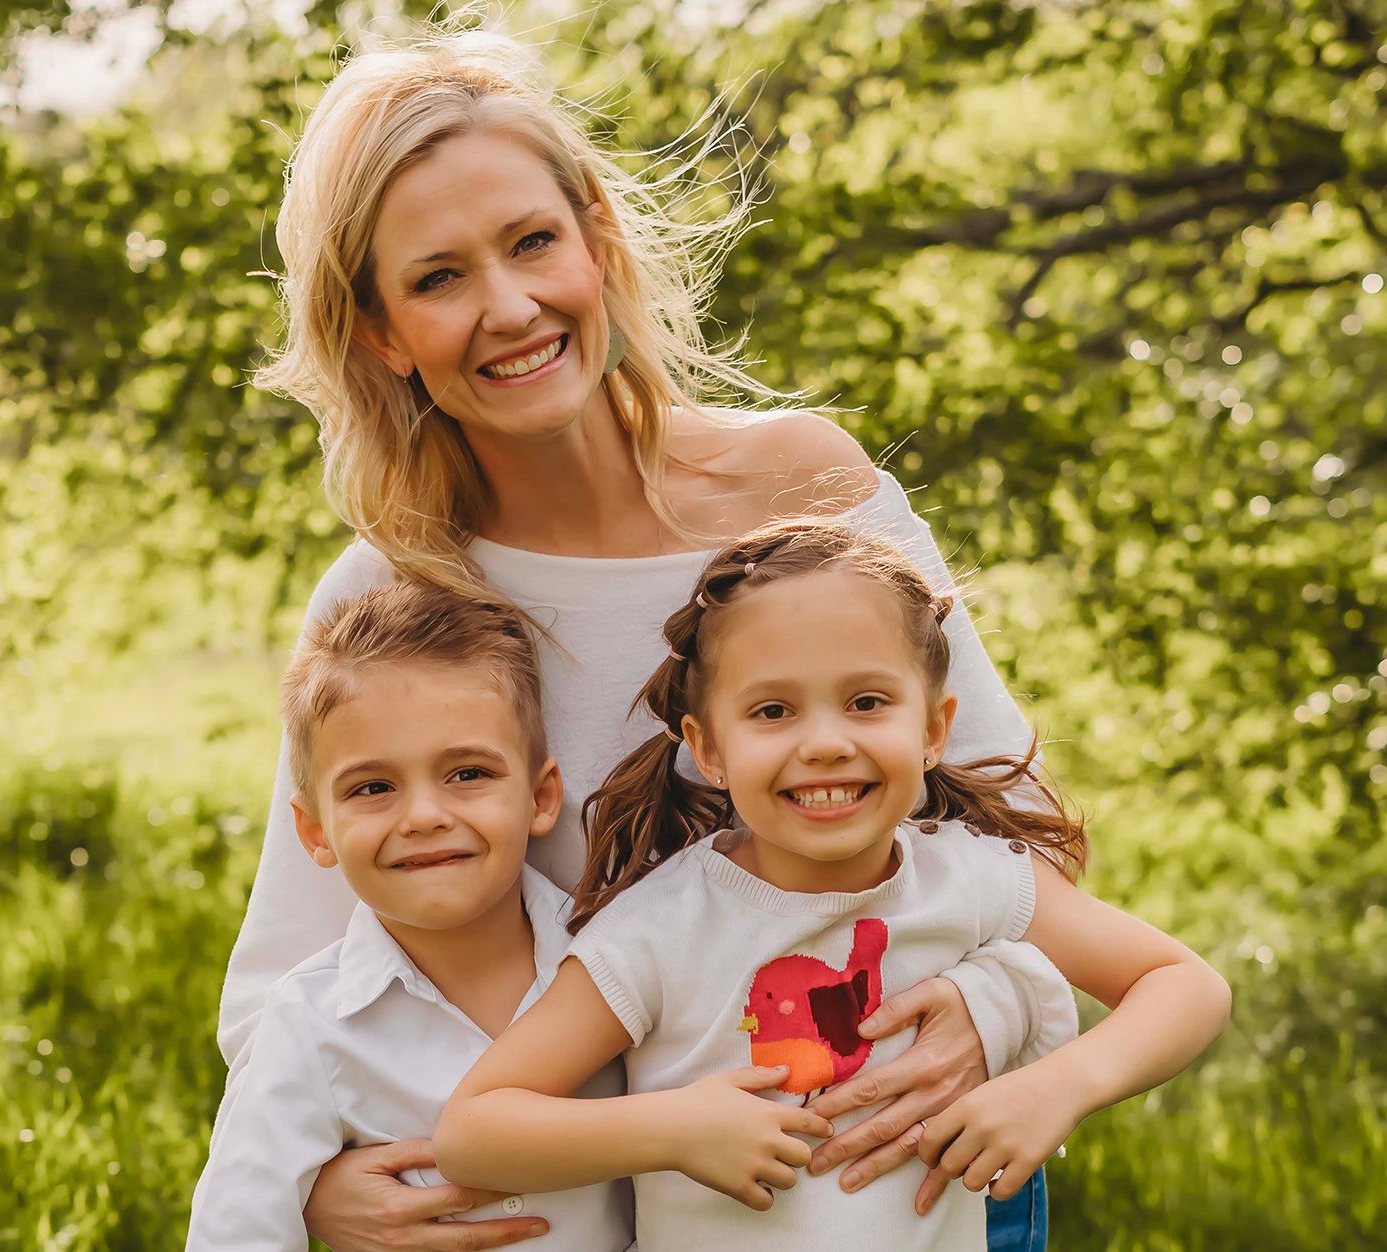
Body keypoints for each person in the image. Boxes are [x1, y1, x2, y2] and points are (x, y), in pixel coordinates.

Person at [227, 22, 1078, 1249]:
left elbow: (1007, 838)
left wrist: (995, 1002)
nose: (509, 307)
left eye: (531, 243)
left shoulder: (804, 487)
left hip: (897, 1171)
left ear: (596, 237)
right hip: (586, 1202)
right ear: (377, 333)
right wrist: (308, 1188)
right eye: (438, 278)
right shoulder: (397, 595)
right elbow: (292, 968)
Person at [435, 520, 1233, 1246]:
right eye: (774, 711)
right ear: (707, 749)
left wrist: (1060, 1087)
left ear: (932, 730)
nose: (824, 743)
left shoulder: (973, 876)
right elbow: (476, 1131)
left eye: (865, 702)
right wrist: (671, 1130)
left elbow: (1185, 985)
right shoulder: (664, 926)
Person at [187, 581, 634, 1250]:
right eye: (374, 788)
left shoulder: (623, 957)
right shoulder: (310, 1024)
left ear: (541, 797)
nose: (424, 816)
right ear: (315, 833)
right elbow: (237, 1232)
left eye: (468, 774)